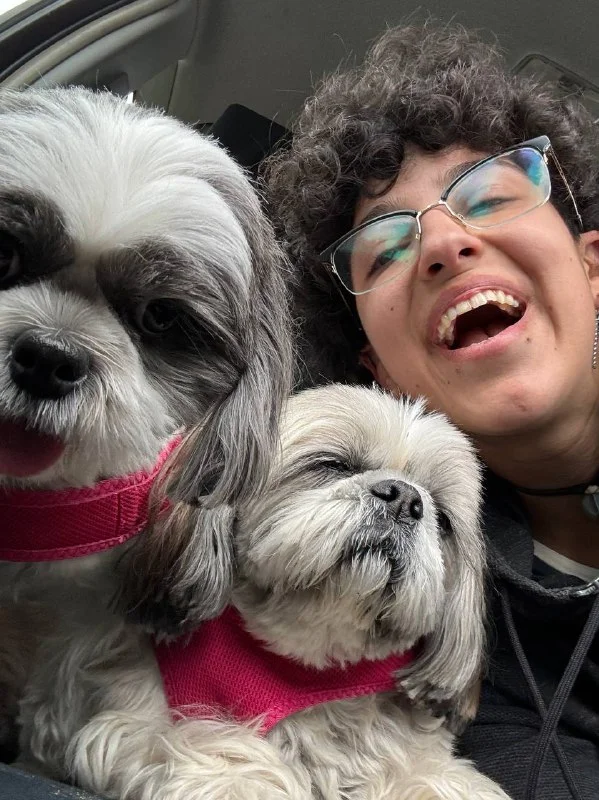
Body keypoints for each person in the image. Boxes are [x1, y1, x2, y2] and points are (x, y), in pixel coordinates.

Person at [265, 22, 599, 800]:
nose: (443, 244)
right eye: (384, 249)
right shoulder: (413, 623)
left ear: (591, 270)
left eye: (489, 195)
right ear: (379, 373)